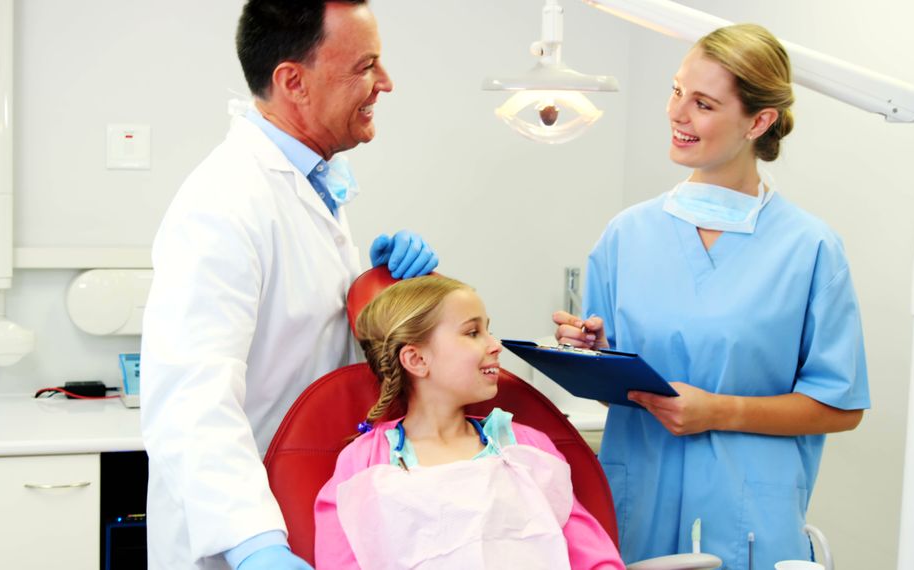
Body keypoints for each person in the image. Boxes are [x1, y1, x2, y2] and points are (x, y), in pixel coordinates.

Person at [553, 24, 870, 568]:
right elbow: (620, 394)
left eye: (702, 103)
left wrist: (719, 411)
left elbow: (839, 407)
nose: (677, 114)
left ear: (759, 121)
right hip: (637, 512)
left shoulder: (810, 248)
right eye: (676, 91)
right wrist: (595, 358)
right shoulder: (626, 236)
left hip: (749, 523)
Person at [140, 2, 440, 569]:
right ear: (293, 82)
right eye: (365, 66)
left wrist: (374, 291)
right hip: (243, 526)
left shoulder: (311, 185)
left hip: (312, 499)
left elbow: (297, 332)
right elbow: (189, 398)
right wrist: (254, 546)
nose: (386, 83)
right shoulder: (223, 201)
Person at [314, 275, 625, 569]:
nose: (495, 345)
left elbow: (595, 559)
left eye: (487, 330)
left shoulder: (526, 449)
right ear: (417, 360)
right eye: (473, 332)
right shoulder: (363, 464)